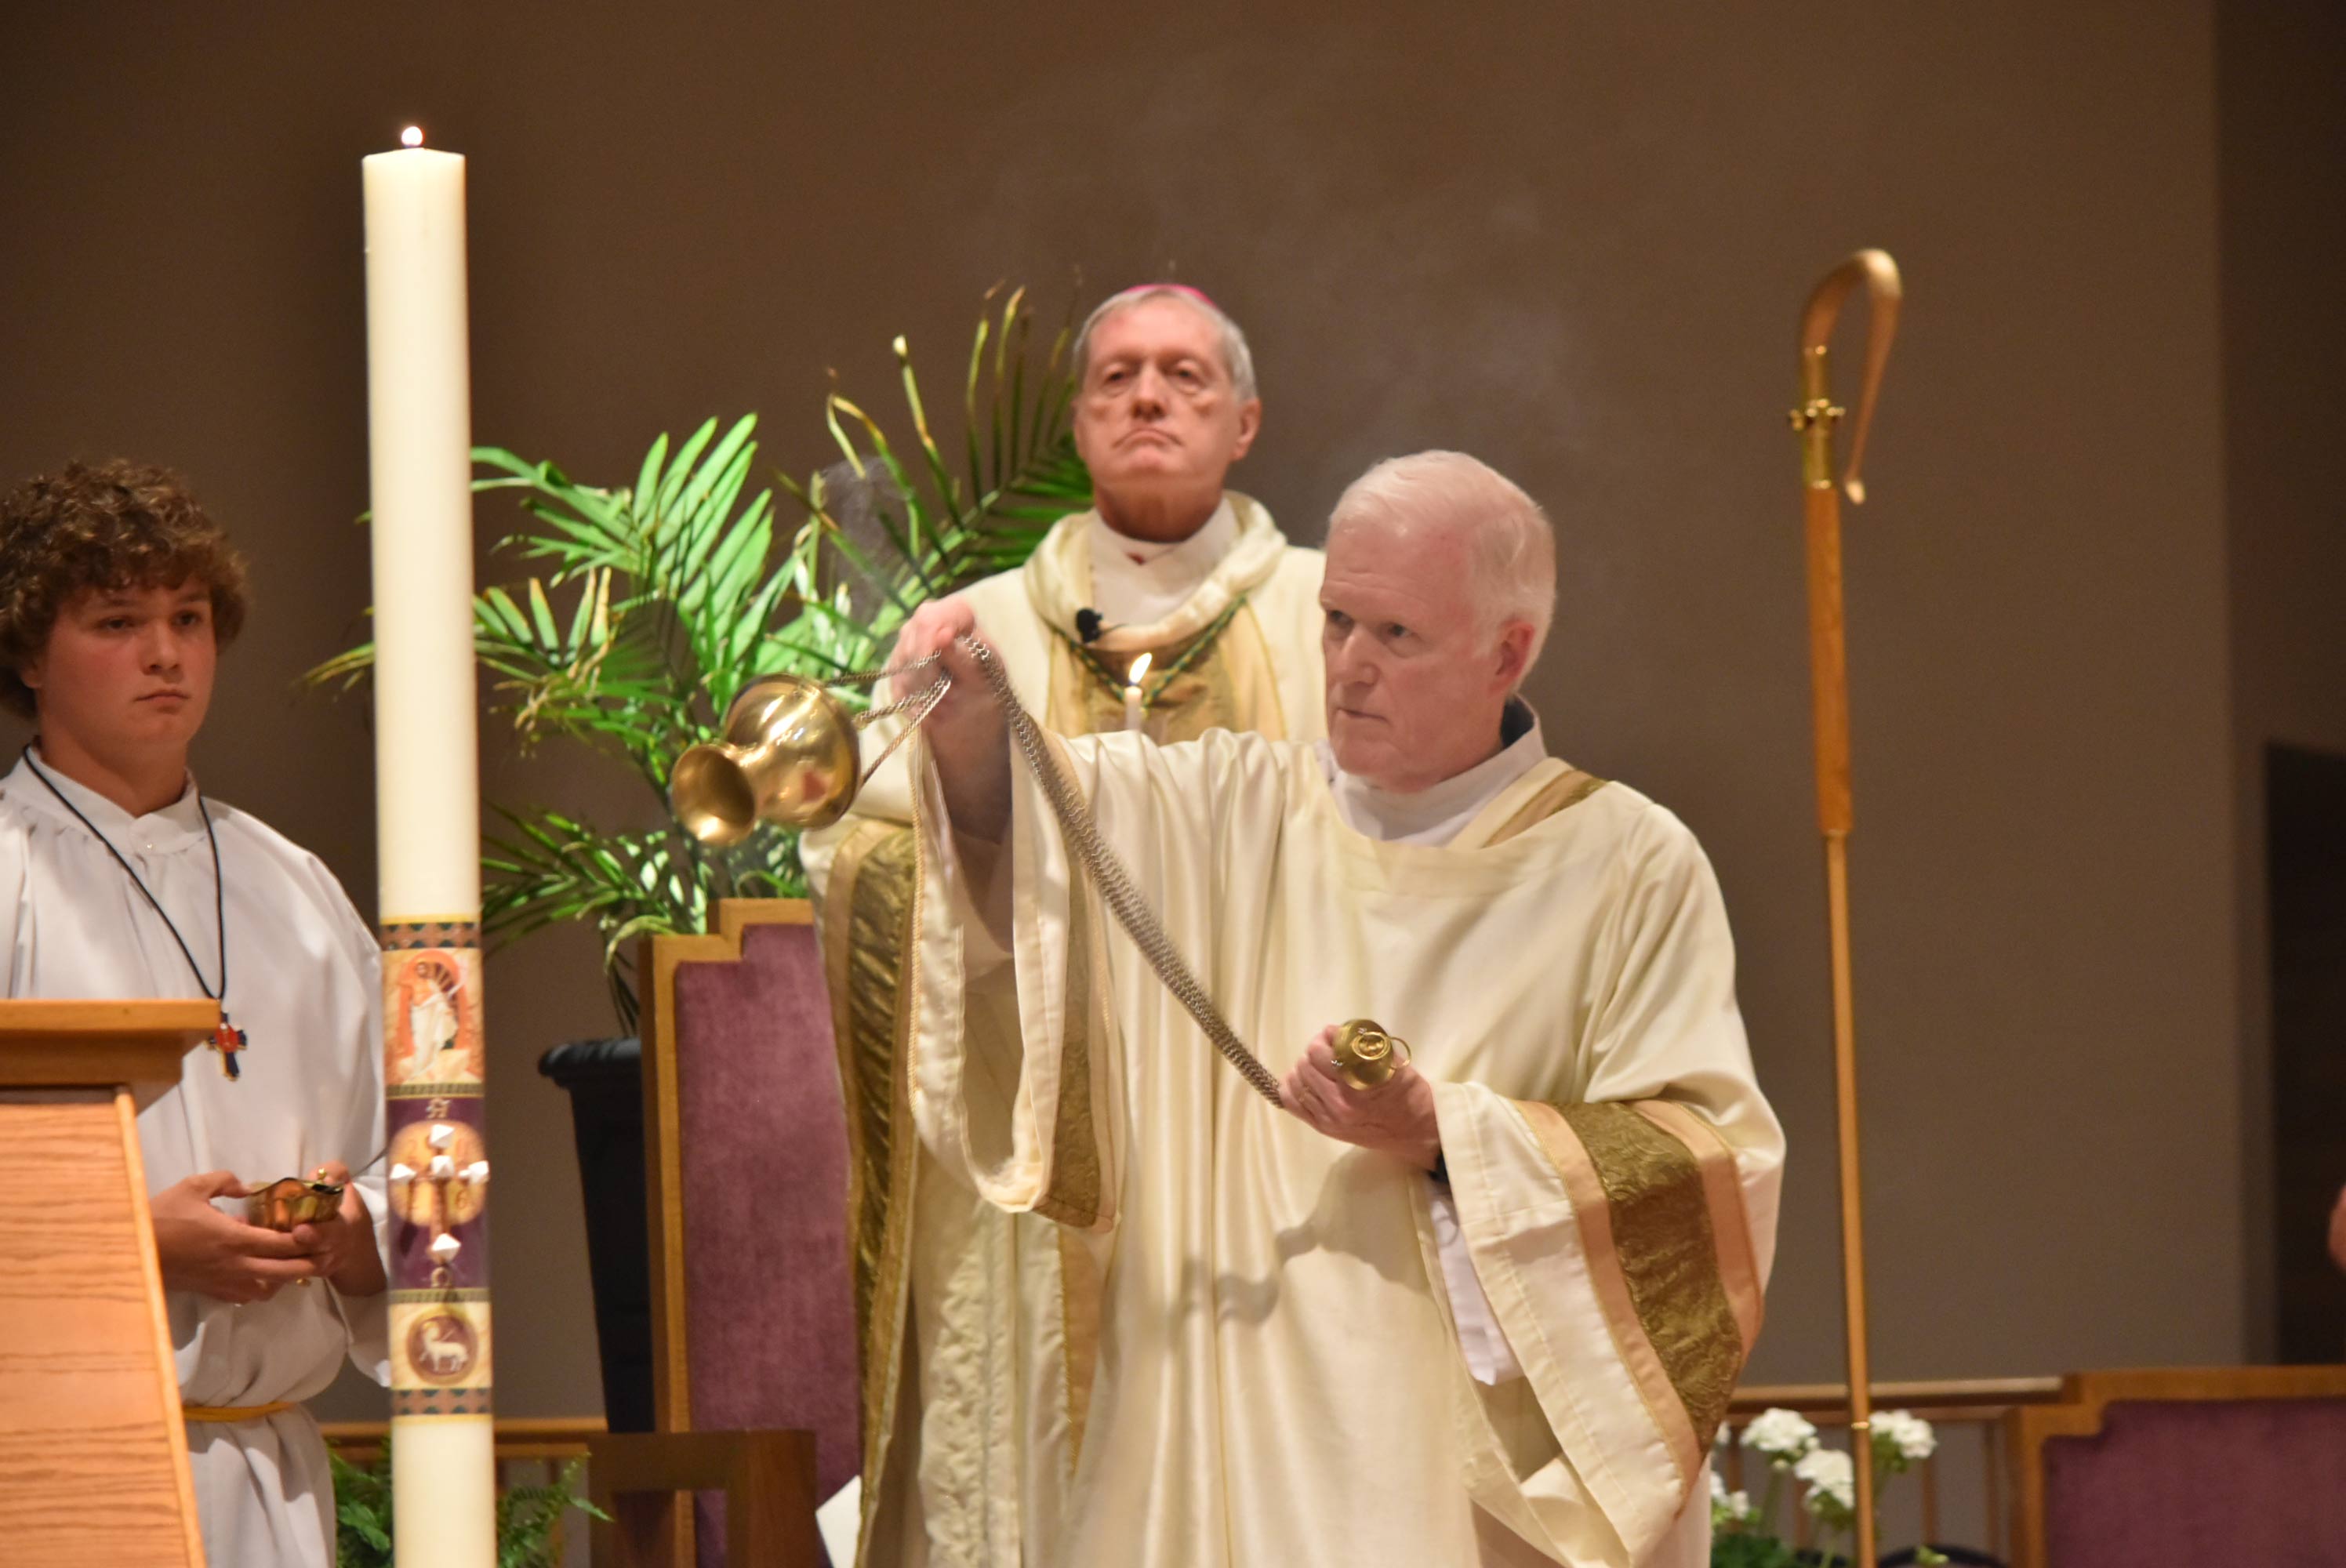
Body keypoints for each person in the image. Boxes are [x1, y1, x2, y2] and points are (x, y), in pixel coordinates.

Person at [890, 451, 1783, 1566]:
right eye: (1336, 621)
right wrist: (972, 732)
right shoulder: (1232, 812)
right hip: (1222, 1418)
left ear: (1509, 652)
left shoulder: (1629, 865)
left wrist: (1447, 1135)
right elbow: (1036, 833)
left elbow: (1708, 1172)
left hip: (1455, 1479)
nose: (1350, 666)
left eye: (1395, 634)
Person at [801, 285, 1327, 1564]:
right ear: (1083, 422)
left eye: (1186, 376)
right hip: (1039, 1163)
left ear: (1246, 420)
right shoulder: (972, 631)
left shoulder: (1329, 621)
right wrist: (970, 804)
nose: (1149, 398)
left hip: (1272, 1134)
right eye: (1117, 378)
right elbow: (858, 848)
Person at [0, 459, 390, 1568]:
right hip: (53, 1464)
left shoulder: (297, 888)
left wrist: (352, 1234)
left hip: (271, 1471)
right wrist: (134, 1242)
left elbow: (414, 1158)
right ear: (29, 653)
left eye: (189, 618)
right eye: (118, 621)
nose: (166, 654)